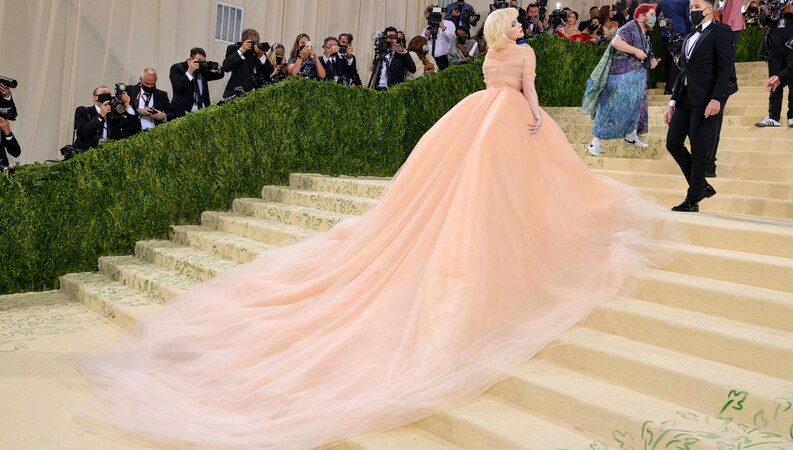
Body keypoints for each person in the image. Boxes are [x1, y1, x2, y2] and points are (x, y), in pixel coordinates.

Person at [76, 8, 671, 450]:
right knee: (510, 196)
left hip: (475, 123)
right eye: (515, 23)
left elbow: (494, 86)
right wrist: (541, 124)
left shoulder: (490, 56)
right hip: (509, 124)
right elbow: (531, 96)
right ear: (509, 30)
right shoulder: (523, 54)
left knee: (462, 192)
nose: (519, 28)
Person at [665, 0, 734, 212]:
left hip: (706, 100)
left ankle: (693, 197)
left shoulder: (721, 31)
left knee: (698, 146)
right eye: (690, 7)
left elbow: (725, 68)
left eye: (696, 7)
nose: (692, 11)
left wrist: (717, 99)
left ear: (709, 9)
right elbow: (683, 71)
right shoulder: (688, 37)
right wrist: (672, 102)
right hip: (684, 98)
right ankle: (701, 186)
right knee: (673, 143)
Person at [586, 4, 661, 156]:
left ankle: (631, 137)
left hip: (635, 79)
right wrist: (636, 51)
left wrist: (651, 63)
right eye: (652, 14)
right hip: (620, 78)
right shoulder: (630, 26)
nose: (655, 18)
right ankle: (595, 143)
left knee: (636, 107)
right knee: (611, 108)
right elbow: (616, 42)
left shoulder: (643, 33)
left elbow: (641, 56)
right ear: (641, 16)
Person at [754, 0, 793, 128]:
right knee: (774, 81)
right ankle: (774, 117)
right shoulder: (772, 1)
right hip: (775, 45)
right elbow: (762, 22)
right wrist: (767, 12)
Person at [73, 86, 140, 151]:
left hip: (111, 153)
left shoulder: (116, 113)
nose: (108, 94)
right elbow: (82, 133)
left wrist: (128, 106)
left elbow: (134, 130)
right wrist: (99, 116)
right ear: (95, 97)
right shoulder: (84, 111)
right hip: (89, 152)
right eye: (104, 92)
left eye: (109, 93)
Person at [169, 47, 225, 118]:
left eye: (203, 61)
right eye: (199, 61)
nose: (201, 63)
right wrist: (189, 72)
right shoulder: (177, 68)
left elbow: (220, 75)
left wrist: (218, 68)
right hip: (184, 111)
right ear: (190, 59)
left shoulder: (202, 70)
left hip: (202, 110)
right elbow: (178, 88)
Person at [222, 28, 274, 98]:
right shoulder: (235, 48)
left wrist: (261, 55)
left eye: (257, 41)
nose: (254, 43)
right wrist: (242, 50)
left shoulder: (259, 52)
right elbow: (226, 67)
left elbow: (269, 70)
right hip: (237, 93)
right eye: (252, 41)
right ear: (244, 41)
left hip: (255, 94)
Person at [657, 0, 692, 95]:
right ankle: (668, 87)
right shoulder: (685, 1)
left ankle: (667, 80)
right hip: (680, 31)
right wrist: (690, 32)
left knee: (669, 57)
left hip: (665, 31)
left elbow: (657, 14)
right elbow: (687, 17)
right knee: (677, 59)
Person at [423, 5, 457, 70]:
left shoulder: (449, 24)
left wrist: (443, 27)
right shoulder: (427, 28)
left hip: (443, 58)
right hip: (429, 58)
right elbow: (421, 43)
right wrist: (426, 35)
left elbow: (452, 37)